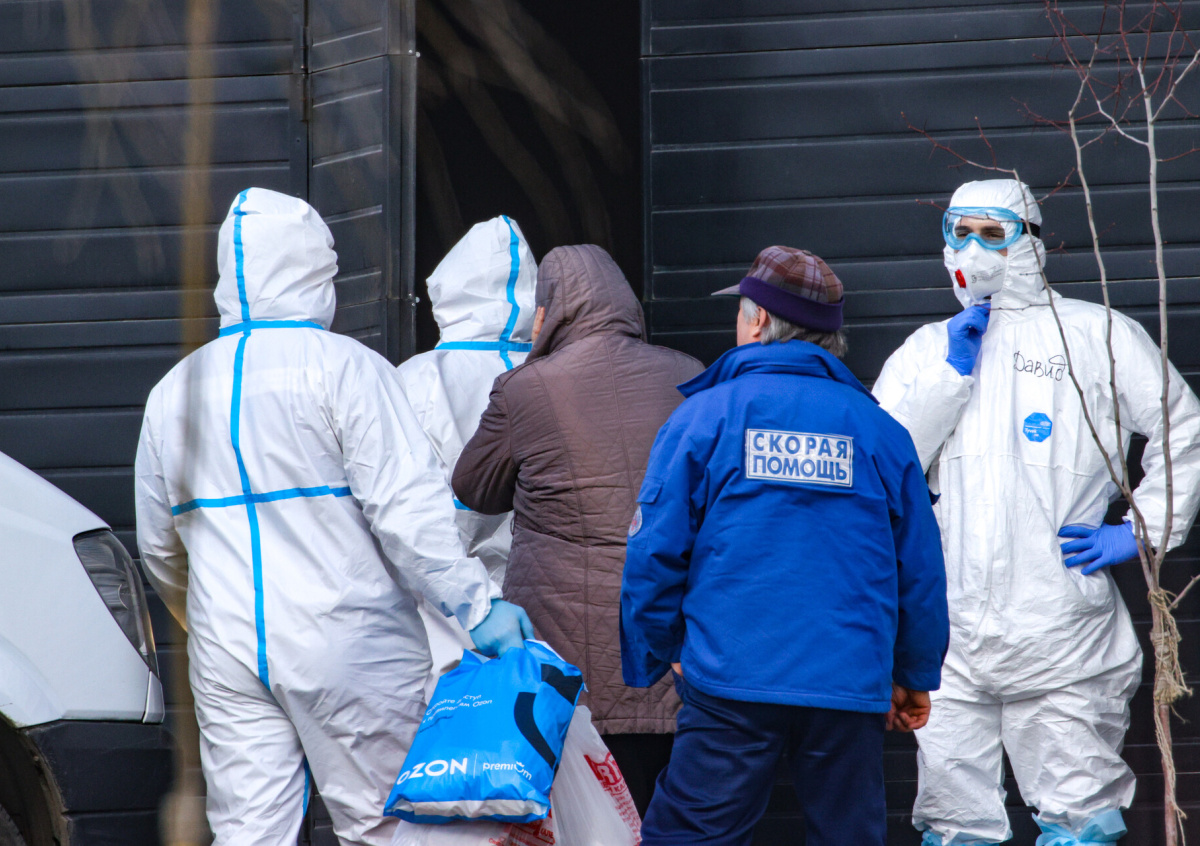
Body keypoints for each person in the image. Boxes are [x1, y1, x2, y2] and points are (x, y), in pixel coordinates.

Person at [134, 188, 532, 846]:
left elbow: (158, 545)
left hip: (226, 650)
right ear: (316, 271)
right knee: (389, 826)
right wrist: (476, 604)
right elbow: (408, 515)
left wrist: (205, 616)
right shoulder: (347, 368)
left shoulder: (173, 391)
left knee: (250, 834)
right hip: (351, 638)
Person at [872, 179, 1200, 846]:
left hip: (1062, 635)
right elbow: (883, 460)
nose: (973, 248)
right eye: (959, 231)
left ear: (1031, 240)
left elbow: (1183, 429)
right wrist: (948, 375)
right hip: (952, 638)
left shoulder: (1096, 335)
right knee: (955, 822)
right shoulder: (925, 351)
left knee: (1080, 817)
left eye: (992, 233)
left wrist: (1140, 530)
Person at [621, 245, 949, 846]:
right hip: (850, 685)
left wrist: (663, 649)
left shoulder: (705, 417)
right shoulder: (880, 432)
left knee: (692, 837)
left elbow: (654, 552)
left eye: (740, 312)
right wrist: (913, 672)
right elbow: (921, 570)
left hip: (728, 678)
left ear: (760, 322)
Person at [452, 244, 703, 815]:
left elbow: (473, 487)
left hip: (566, 662)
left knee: (584, 818)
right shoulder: (691, 375)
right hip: (677, 654)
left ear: (550, 310)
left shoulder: (525, 388)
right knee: (672, 814)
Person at [395, 216, 536, 687]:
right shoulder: (557, 373)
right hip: (542, 609)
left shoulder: (417, 378)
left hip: (443, 616)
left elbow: (399, 505)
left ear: (450, 286)